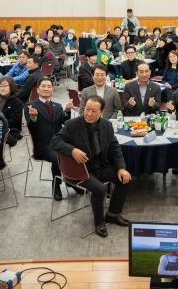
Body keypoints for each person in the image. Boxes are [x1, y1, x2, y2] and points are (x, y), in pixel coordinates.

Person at [51, 96, 132, 238]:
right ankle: (99, 222)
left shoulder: (107, 125)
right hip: (79, 170)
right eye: (87, 109)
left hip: (100, 166)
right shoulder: (72, 125)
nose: (88, 114)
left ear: (102, 112)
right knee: (100, 189)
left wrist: (121, 168)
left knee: (125, 179)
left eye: (93, 111)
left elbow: (115, 148)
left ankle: (112, 214)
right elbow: (55, 141)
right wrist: (72, 150)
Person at [26, 77, 74, 200]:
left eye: (49, 86)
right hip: (43, 147)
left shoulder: (57, 106)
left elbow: (64, 122)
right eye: (43, 86)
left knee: (77, 152)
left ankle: (72, 180)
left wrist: (67, 111)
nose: (46, 89)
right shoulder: (31, 106)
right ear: (38, 89)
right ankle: (56, 185)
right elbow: (31, 128)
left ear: (52, 89)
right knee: (58, 157)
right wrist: (33, 118)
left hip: (59, 143)